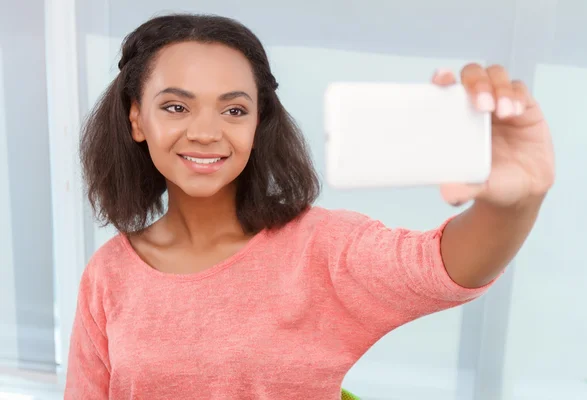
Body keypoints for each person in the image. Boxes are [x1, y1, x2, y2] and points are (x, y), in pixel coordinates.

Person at [64, 13, 555, 400]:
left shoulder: (321, 248)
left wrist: (517, 200)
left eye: (234, 109)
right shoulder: (108, 275)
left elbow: (444, 268)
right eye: (176, 106)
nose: (207, 131)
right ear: (136, 118)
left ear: (258, 123)